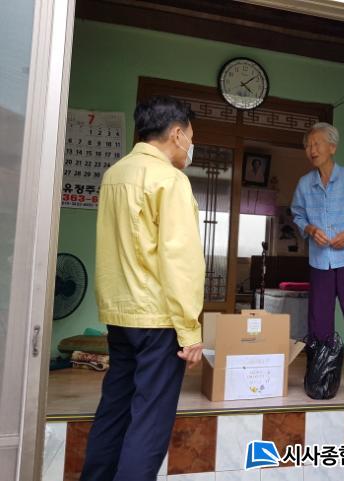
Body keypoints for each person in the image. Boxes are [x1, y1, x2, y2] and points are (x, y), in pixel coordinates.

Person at [81, 96, 205, 481]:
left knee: (114, 411)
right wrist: (190, 330)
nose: (190, 145)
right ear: (177, 133)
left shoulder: (114, 174)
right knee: (149, 422)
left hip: (119, 316)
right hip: (158, 320)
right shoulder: (171, 180)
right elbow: (180, 261)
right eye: (190, 136)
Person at [291, 122, 344, 391]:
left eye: (316, 144)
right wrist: (310, 229)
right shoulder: (305, 184)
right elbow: (297, 214)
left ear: (332, 147)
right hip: (320, 261)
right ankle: (321, 369)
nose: (312, 149)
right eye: (308, 145)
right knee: (319, 318)